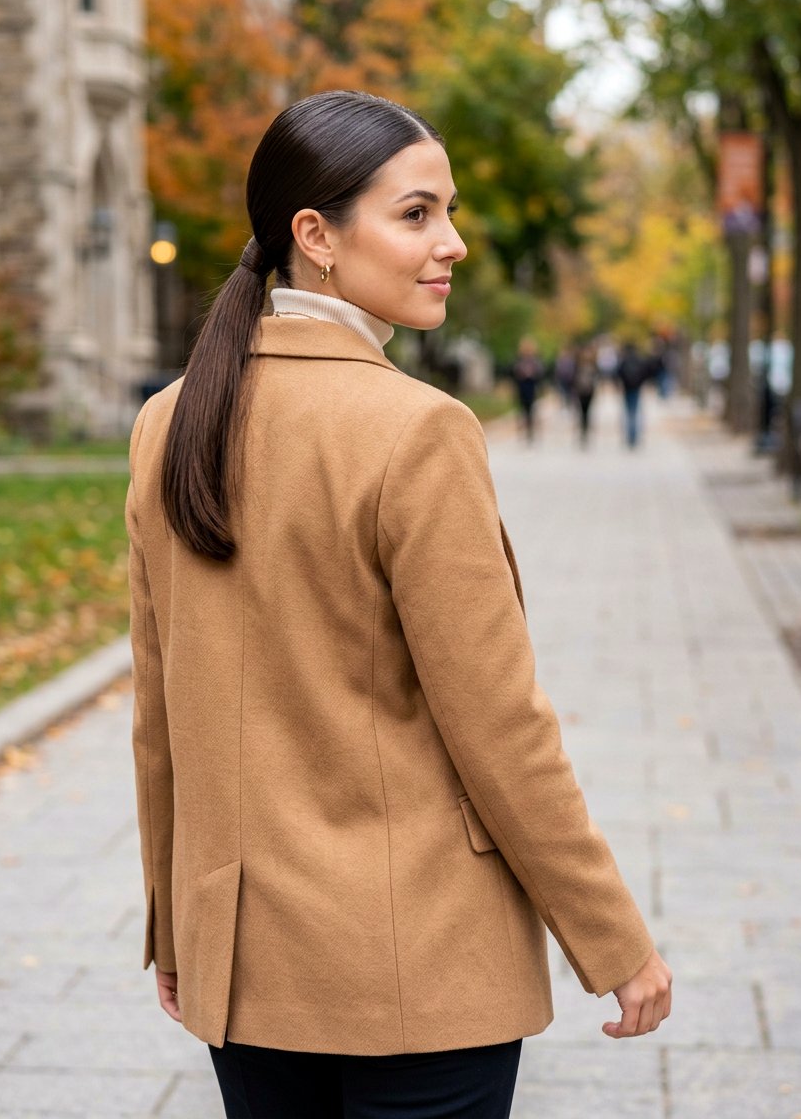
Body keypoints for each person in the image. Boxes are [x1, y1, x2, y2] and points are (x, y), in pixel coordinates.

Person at [126, 91, 672, 1119]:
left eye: (448, 212)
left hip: (240, 966)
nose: (451, 244)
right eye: (417, 214)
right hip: (414, 972)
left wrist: (174, 925)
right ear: (315, 236)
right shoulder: (414, 430)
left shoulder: (169, 420)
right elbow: (498, 726)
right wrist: (611, 939)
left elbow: (160, 718)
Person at [510, 337, 545, 443]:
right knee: (522, 411)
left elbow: (540, 374)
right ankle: (523, 432)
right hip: (521, 389)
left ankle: (530, 432)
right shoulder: (519, 361)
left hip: (531, 388)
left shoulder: (535, 362)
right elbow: (512, 373)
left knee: (531, 411)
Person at [617, 341, 649, 448]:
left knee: (629, 412)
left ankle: (630, 435)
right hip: (636, 388)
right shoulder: (639, 360)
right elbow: (645, 372)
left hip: (627, 388)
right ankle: (634, 435)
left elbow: (619, 373)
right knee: (634, 412)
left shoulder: (624, 360)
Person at [572, 345, 599, 447]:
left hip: (589, 391)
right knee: (582, 412)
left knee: (586, 412)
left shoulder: (593, 366)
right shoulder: (578, 366)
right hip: (581, 391)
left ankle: (585, 430)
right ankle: (583, 431)